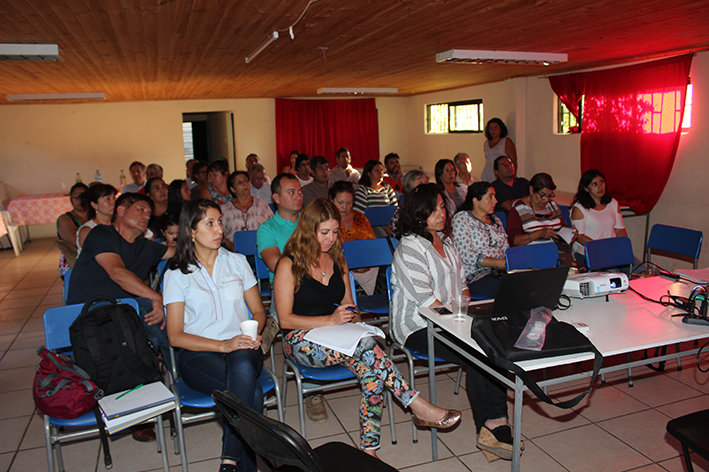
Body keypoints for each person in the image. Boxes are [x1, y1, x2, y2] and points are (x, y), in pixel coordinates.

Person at [273, 198, 461, 458]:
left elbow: (350, 306)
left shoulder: (338, 259)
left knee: (372, 373)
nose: (330, 239)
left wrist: (357, 324)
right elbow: (285, 320)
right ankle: (415, 404)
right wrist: (330, 321)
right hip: (300, 340)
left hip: (338, 337)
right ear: (307, 230)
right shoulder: (288, 264)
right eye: (324, 232)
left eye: (335, 232)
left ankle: (369, 451)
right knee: (368, 350)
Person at [391, 183, 514, 461]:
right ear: (418, 213)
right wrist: (461, 325)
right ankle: (491, 426)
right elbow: (426, 302)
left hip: (451, 320)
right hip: (417, 326)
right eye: (433, 210)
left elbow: (463, 285)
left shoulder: (446, 242)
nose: (441, 214)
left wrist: (464, 314)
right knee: (478, 350)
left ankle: (497, 422)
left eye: (442, 207)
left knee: (492, 343)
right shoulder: (409, 248)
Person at [164, 199, 266, 472]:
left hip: (243, 347)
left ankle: (228, 460)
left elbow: (259, 311)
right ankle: (242, 465)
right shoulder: (177, 273)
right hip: (198, 355)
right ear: (191, 231)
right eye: (209, 223)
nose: (219, 229)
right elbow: (175, 336)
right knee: (252, 392)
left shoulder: (237, 262)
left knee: (242, 363)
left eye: (220, 222)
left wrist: (252, 332)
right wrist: (223, 345)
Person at [67, 193, 175, 442]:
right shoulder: (102, 235)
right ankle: (156, 391)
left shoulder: (145, 246)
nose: (147, 215)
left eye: (149, 212)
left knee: (157, 318)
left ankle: (171, 379)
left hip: (121, 319)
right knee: (148, 308)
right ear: (121, 211)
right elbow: (116, 272)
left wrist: (200, 237)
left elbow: (175, 251)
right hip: (87, 317)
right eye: (141, 209)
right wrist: (155, 296)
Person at [255, 174, 327, 423]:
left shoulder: (311, 224)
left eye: (300, 191)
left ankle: (274, 321)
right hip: (287, 289)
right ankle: (312, 393)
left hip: (317, 286)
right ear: (276, 198)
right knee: (298, 312)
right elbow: (276, 264)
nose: (298, 196)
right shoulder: (267, 229)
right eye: (291, 192)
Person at [451, 182, 509, 299]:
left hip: (498, 272)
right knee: (508, 289)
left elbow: (506, 249)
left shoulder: (496, 220)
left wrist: (505, 263)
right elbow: (466, 255)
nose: (495, 201)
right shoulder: (462, 219)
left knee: (523, 282)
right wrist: (498, 262)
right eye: (490, 197)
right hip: (473, 276)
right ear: (476, 201)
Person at [329, 181, 378, 296]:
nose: (344, 207)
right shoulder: (326, 220)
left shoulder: (360, 218)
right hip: (336, 267)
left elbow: (372, 245)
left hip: (364, 268)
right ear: (331, 200)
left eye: (349, 203)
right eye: (340, 202)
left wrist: (364, 264)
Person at [570, 169, 627, 261]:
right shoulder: (579, 208)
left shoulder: (613, 203)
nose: (600, 187)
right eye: (594, 184)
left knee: (639, 268)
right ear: (586, 188)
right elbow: (579, 237)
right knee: (612, 269)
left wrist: (622, 248)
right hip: (589, 253)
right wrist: (601, 248)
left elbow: (620, 231)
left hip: (611, 250)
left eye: (601, 182)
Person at [221, 171, 273, 251]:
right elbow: (221, 235)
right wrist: (233, 248)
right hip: (234, 252)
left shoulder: (261, 205)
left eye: (246, 180)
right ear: (232, 189)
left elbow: (272, 227)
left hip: (260, 251)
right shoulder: (225, 209)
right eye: (239, 182)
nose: (244, 184)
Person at [56, 182, 89, 277]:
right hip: (73, 262)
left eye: (83, 196)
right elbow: (75, 241)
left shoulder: (96, 216)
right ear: (71, 200)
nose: (80, 200)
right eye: (76, 197)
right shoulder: (65, 219)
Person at [76, 183, 117, 257]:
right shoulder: (87, 230)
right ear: (94, 205)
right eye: (107, 199)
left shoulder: (118, 225)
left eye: (114, 198)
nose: (113, 202)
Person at [482, 118, 517, 182]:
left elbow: (513, 160)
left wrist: (513, 177)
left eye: (495, 127)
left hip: (502, 172)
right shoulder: (486, 143)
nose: (493, 130)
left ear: (501, 128)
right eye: (490, 128)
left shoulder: (506, 141)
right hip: (488, 172)